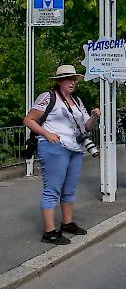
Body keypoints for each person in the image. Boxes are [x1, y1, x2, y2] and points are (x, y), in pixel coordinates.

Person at [23, 65, 100, 245]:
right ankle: (49, 231)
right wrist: (47, 134)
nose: (72, 82)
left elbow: (86, 127)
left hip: (75, 147)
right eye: (68, 79)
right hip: (54, 147)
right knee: (52, 190)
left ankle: (67, 223)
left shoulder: (77, 101)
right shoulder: (48, 97)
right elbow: (28, 119)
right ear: (59, 81)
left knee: (70, 189)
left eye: (74, 79)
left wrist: (94, 116)